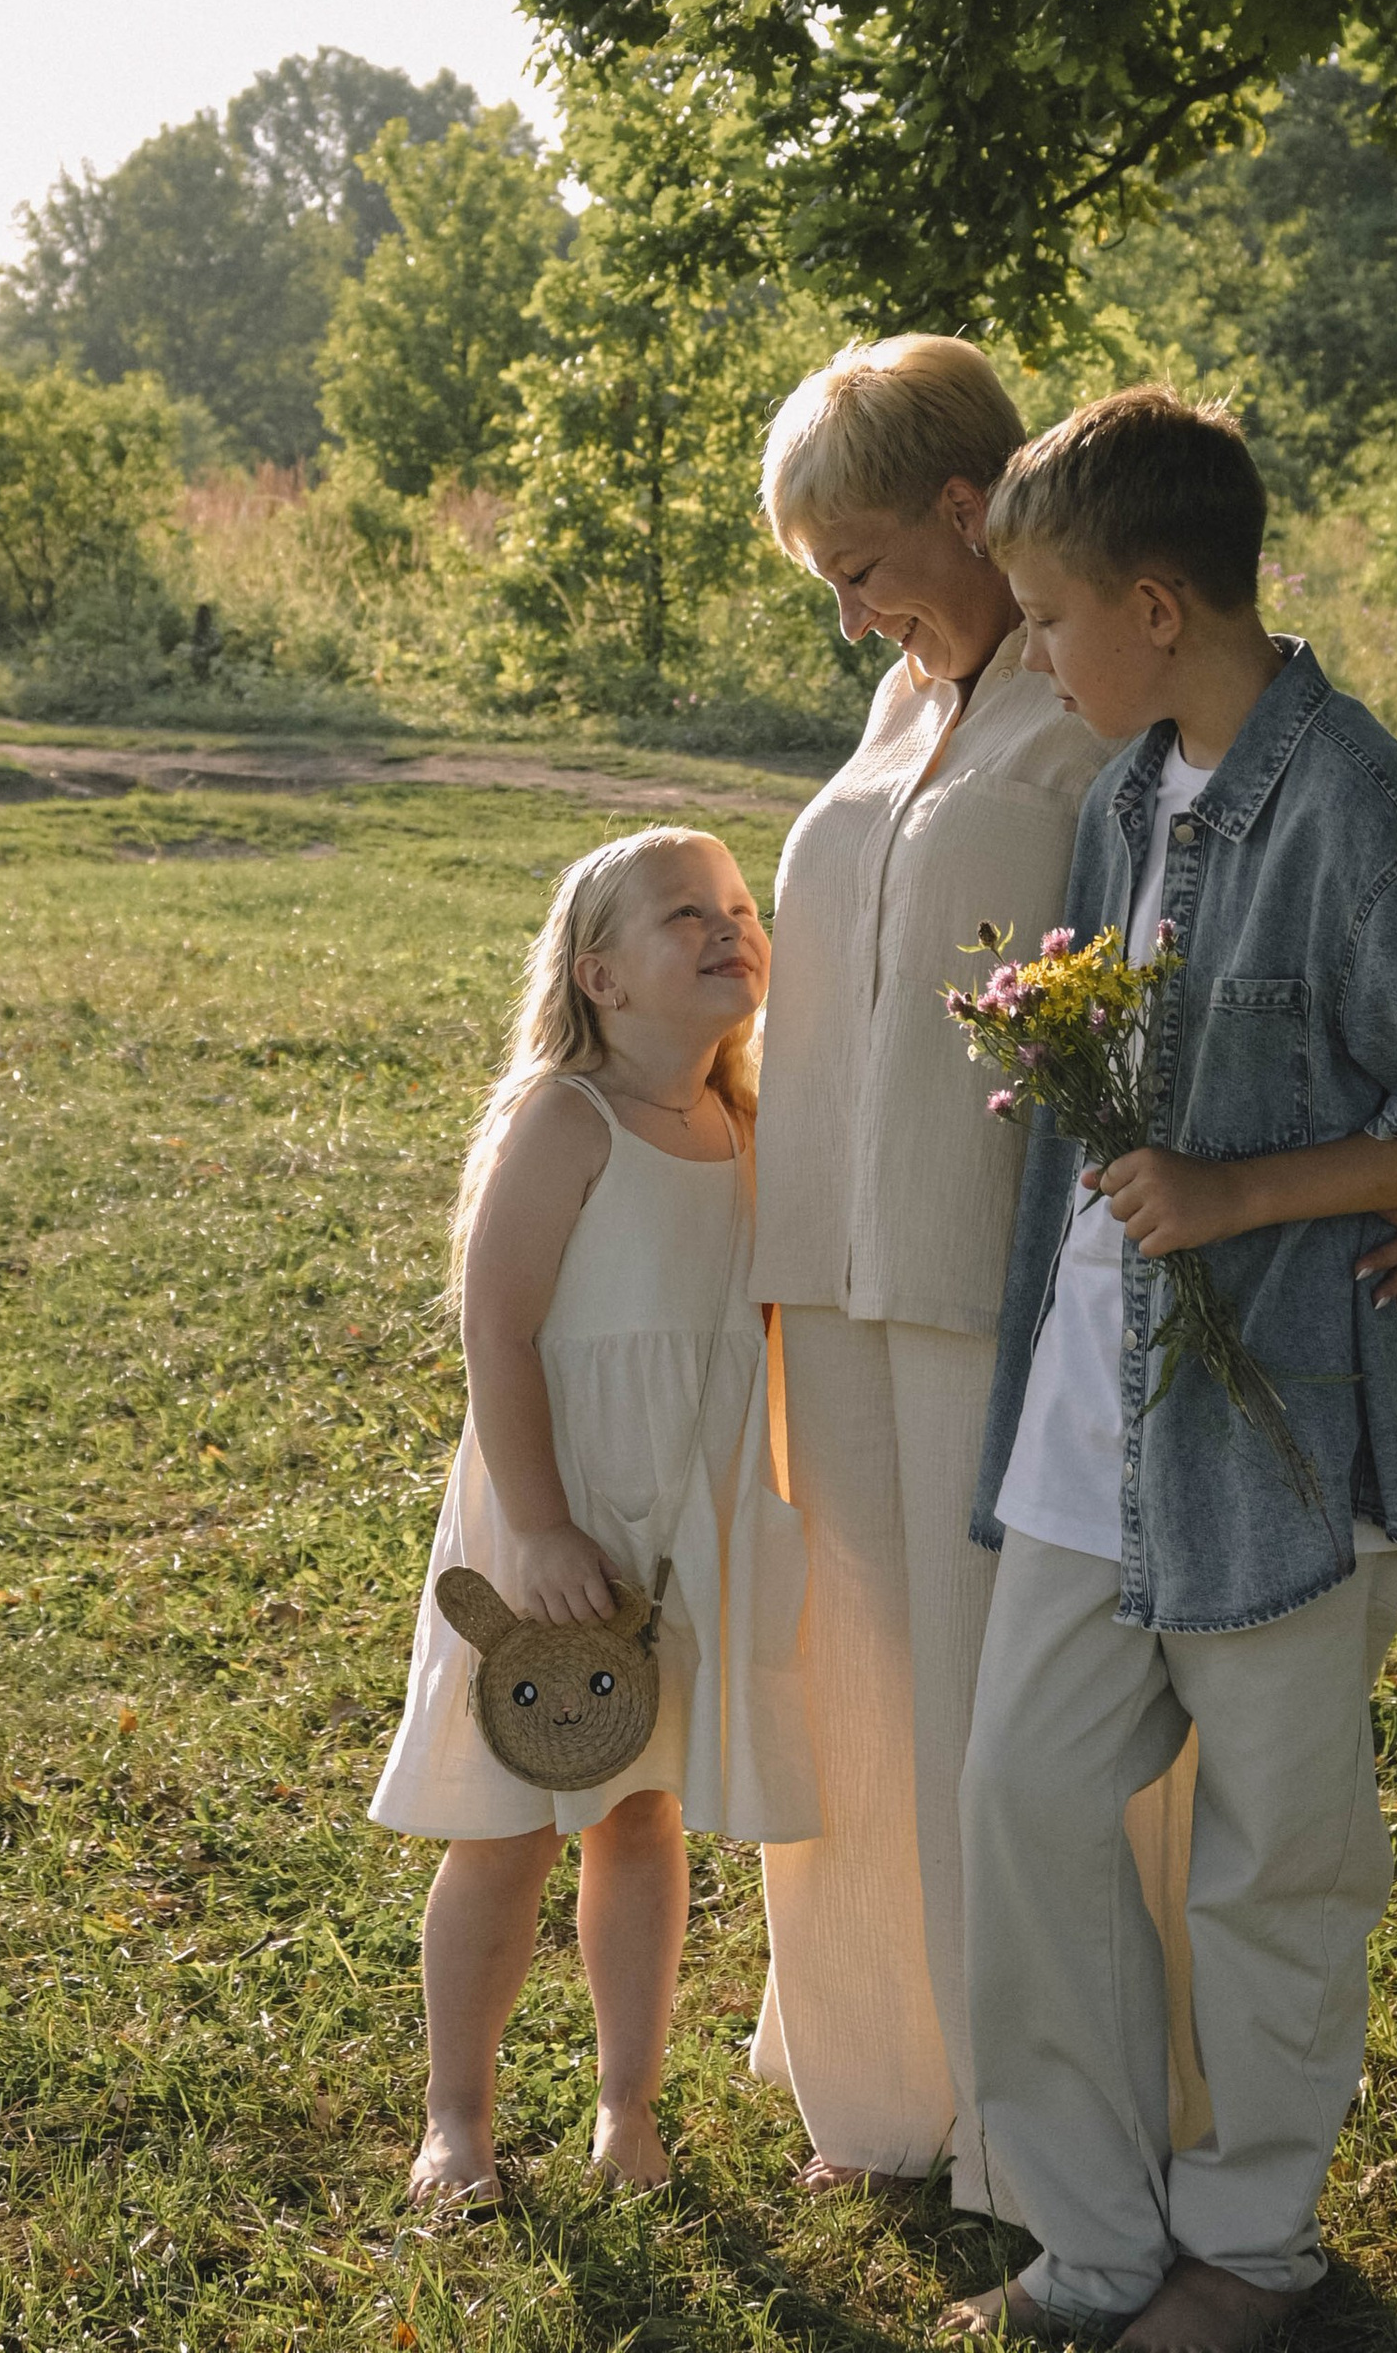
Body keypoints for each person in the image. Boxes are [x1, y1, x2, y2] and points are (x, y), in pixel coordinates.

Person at [745, 337, 1397, 2208]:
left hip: (1017, 1270)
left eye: (860, 562)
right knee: (871, 1681)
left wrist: (1391, 1161)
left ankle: (1048, 2133)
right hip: (830, 1251)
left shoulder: (1106, 713)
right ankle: (892, 2080)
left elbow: (1247, 952)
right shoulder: (905, 704)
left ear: (970, 512)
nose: (851, 612)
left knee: (1016, 1714)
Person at [946, 387, 1397, 2349]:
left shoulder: (1358, 809)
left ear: (1149, 599)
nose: (1028, 658)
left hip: (1284, 1432)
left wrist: (1244, 1192)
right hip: (1080, 1428)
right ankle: (1096, 2247)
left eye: (1039, 617)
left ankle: (1246, 2255)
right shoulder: (1121, 798)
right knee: (1023, 1811)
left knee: (1272, 1870)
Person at [371, 827, 818, 2205]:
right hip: (551, 1515)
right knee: (506, 1818)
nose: (726, 927)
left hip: (676, 1528)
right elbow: (497, 1333)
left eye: (740, 906)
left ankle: (628, 2109)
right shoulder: (569, 1118)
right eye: (683, 913)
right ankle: (458, 2120)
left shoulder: (744, 1125)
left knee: (641, 1809)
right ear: (600, 977)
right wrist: (548, 1527)